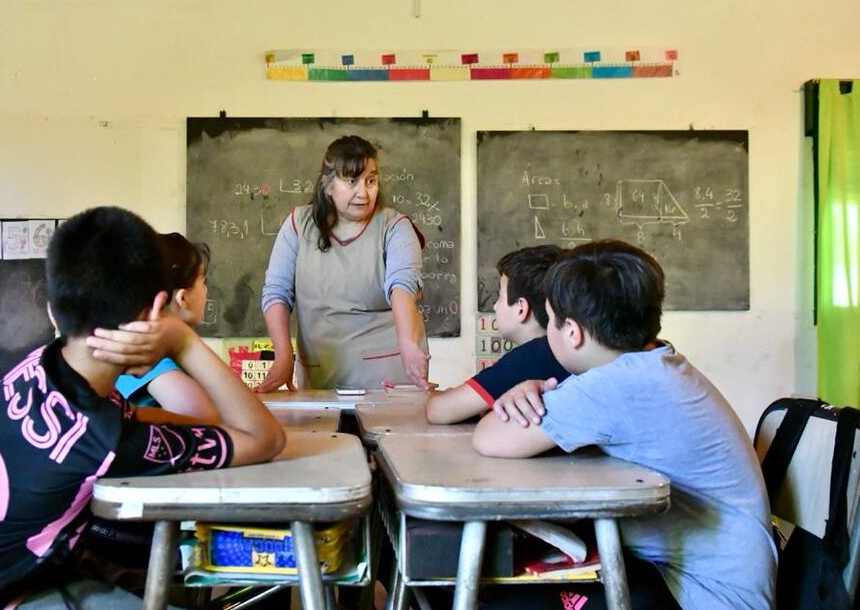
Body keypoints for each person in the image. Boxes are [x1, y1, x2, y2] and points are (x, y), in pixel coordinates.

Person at [0, 207, 285, 609]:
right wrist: (183, 341)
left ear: (55, 307)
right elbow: (265, 438)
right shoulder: (103, 439)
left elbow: (155, 418)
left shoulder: (40, 367)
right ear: (156, 311)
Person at [472, 240, 776, 610]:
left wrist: (518, 393)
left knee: (492, 598)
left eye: (550, 320)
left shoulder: (617, 386)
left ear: (572, 332)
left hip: (701, 596)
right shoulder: (654, 362)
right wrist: (527, 391)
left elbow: (489, 438)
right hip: (683, 575)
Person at [257, 135, 430, 392]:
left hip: (388, 375)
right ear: (327, 185)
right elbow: (276, 291)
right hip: (321, 372)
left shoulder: (394, 226)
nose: (363, 192)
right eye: (351, 181)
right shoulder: (298, 224)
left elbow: (402, 285)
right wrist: (283, 356)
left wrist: (408, 344)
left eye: (371, 181)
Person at [425, 245, 569, 424]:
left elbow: (439, 411)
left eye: (499, 296)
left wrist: (436, 396)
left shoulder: (529, 359)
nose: (494, 306)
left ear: (521, 308)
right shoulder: (565, 350)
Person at [115, 232, 219, 421]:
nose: (205, 290)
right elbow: (204, 418)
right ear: (182, 298)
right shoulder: (148, 355)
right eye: (203, 282)